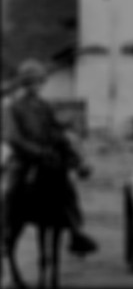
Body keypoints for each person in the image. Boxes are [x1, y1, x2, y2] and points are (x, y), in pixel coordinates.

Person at [2, 58, 97, 256]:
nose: (36, 85)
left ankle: (75, 233)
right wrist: (36, 151)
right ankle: (5, 233)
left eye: (38, 81)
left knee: (67, 188)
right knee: (10, 190)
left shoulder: (44, 105)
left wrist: (65, 131)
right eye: (32, 82)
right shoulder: (14, 106)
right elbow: (13, 137)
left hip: (46, 157)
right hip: (23, 159)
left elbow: (53, 129)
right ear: (24, 83)